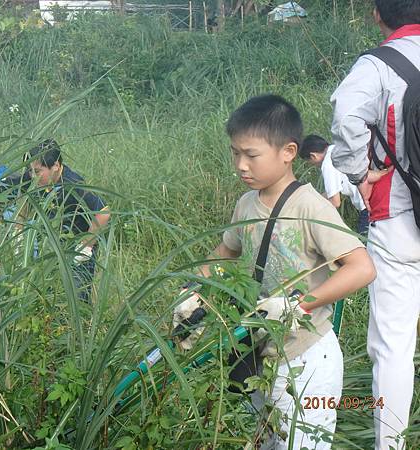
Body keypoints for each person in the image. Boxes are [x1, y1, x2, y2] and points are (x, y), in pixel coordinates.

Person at [175, 95, 376, 449]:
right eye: (235, 153)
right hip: (259, 354)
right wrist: (194, 291)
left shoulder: (310, 206)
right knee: (267, 442)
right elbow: (226, 252)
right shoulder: (246, 203)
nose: (240, 165)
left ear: (288, 152)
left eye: (251, 155)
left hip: (307, 358)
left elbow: (361, 268)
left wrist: (298, 304)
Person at [330, 2, 420, 448]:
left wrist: (360, 173)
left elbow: (347, 115)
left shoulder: (378, 65)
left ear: (376, 14)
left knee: (393, 347)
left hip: (399, 217)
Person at [28, 139, 110, 303]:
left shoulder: (74, 185)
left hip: (76, 253)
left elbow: (103, 212)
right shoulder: (38, 178)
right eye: (31, 171)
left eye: (37, 172)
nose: (32, 176)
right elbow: (24, 194)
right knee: (47, 297)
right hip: (50, 251)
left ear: (56, 166)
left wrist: (86, 246)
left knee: (76, 300)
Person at [299, 134, 369, 234]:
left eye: (309, 161)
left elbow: (335, 202)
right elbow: (332, 192)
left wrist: (312, 215)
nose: (311, 164)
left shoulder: (328, 164)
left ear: (313, 156)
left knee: (365, 242)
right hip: (375, 196)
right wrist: (314, 199)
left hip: (367, 207)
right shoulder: (336, 150)